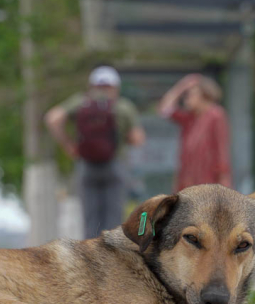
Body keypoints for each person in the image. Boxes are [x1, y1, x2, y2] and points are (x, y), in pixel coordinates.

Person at [45, 65, 146, 238]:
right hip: (115, 166)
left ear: (92, 86)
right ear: (115, 87)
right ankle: (111, 261)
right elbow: (137, 139)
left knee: (90, 220)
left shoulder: (80, 102)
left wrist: (68, 145)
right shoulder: (122, 106)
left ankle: (90, 262)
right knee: (114, 221)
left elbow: (52, 118)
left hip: (86, 167)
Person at [159, 74, 233, 191]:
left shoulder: (216, 115)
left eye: (191, 95)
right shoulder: (190, 118)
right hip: (188, 183)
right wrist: (182, 86)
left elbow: (221, 149)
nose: (186, 99)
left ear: (204, 95)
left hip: (208, 183)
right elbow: (164, 110)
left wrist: (223, 180)